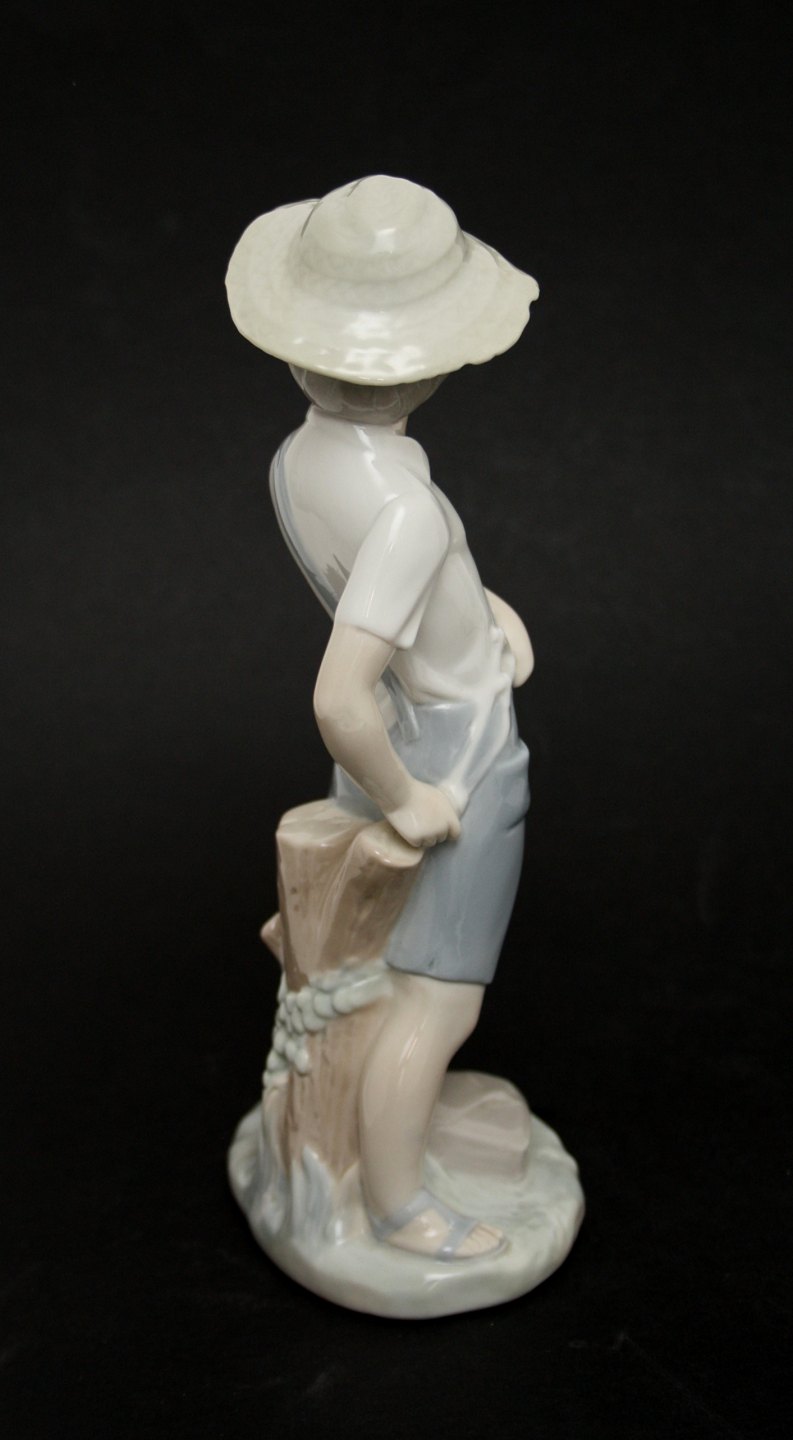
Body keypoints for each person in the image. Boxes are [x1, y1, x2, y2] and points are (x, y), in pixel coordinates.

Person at [227, 175, 539, 1260]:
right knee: (434, 998)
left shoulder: (302, 460)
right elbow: (338, 693)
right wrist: (412, 800)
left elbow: (379, 593)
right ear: (435, 365)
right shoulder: (405, 507)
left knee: (372, 969)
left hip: (405, 725)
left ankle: (372, 1135)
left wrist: (478, 610)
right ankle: (400, 1204)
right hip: (449, 751)